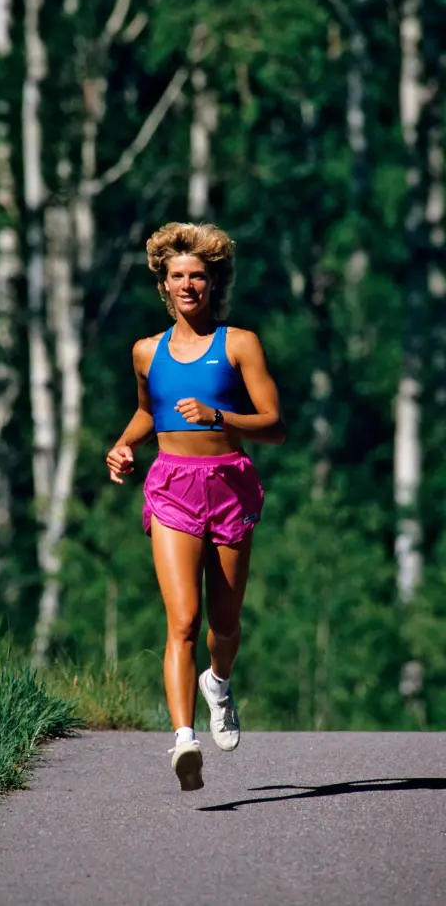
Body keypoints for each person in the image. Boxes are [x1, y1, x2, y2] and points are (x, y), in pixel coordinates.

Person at [105, 222, 285, 792]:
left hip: (229, 484)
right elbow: (149, 412)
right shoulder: (145, 351)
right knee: (182, 621)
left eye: (198, 277)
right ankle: (184, 739)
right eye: (178, 276)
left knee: (223, 624)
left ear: (214, 284)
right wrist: (123, 444)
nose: (188, 286)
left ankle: (219, 685)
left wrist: (219, 418)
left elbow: (275, 425)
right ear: (164, 283)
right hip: (172, 488)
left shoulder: (239, 344)